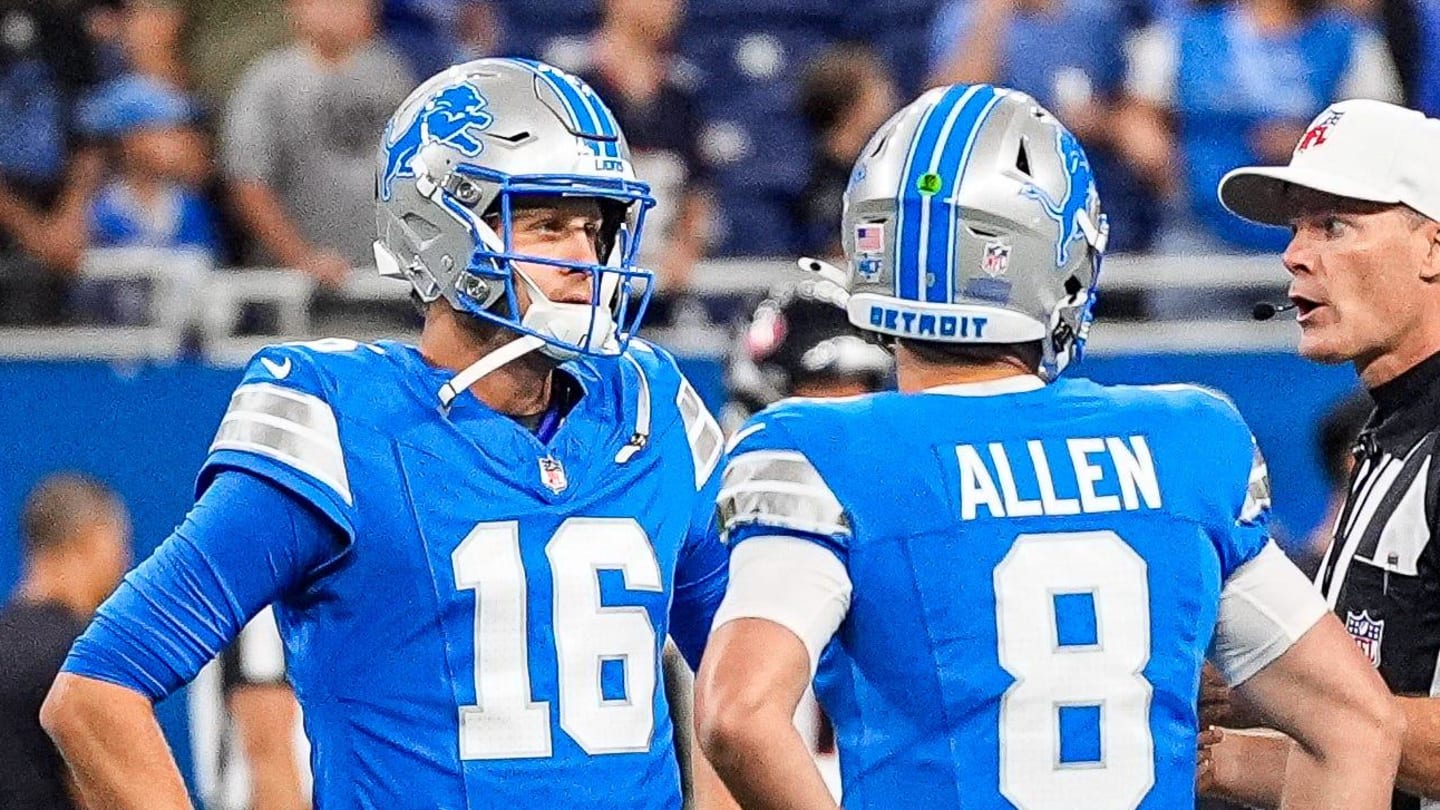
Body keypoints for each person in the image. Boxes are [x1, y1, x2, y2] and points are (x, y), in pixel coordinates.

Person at [40, 58, 731, 809]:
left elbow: (745, 698)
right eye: (546, 224)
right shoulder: (341, 419)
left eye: (594, 228)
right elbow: (94, 693)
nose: (586, 259)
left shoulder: (650, 406)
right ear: (440, 230)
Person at [691, 83, 1402, 809]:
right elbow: (1358, 723)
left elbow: (738, 714)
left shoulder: (819, 450)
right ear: (1059, 258)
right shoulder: (1189, 437)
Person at [1198, 99, 1440, 809]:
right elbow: (1367, 759)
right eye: (1297, 226)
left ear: (1434, 246)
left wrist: (1275, 690)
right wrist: (1218, 752)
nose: (1294, 253)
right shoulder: (1390, 430)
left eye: (1334, 225)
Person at [221, 0, 413, 285]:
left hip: (387, 283)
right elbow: (248, 181)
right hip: (299, 290)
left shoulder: (391, 74)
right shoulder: (269, 81)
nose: (338, 11)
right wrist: (300, 258)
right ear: (296, 8)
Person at [0, 475, 130, 810]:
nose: (126, 561)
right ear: (90, 541)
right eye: (120, 544)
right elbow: (112, 795)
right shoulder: (86, 658)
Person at [722, 276, 892, 432]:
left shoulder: (886, 447)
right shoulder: (745, 450)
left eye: (860, 381)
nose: (849, 396)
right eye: (824, 384)